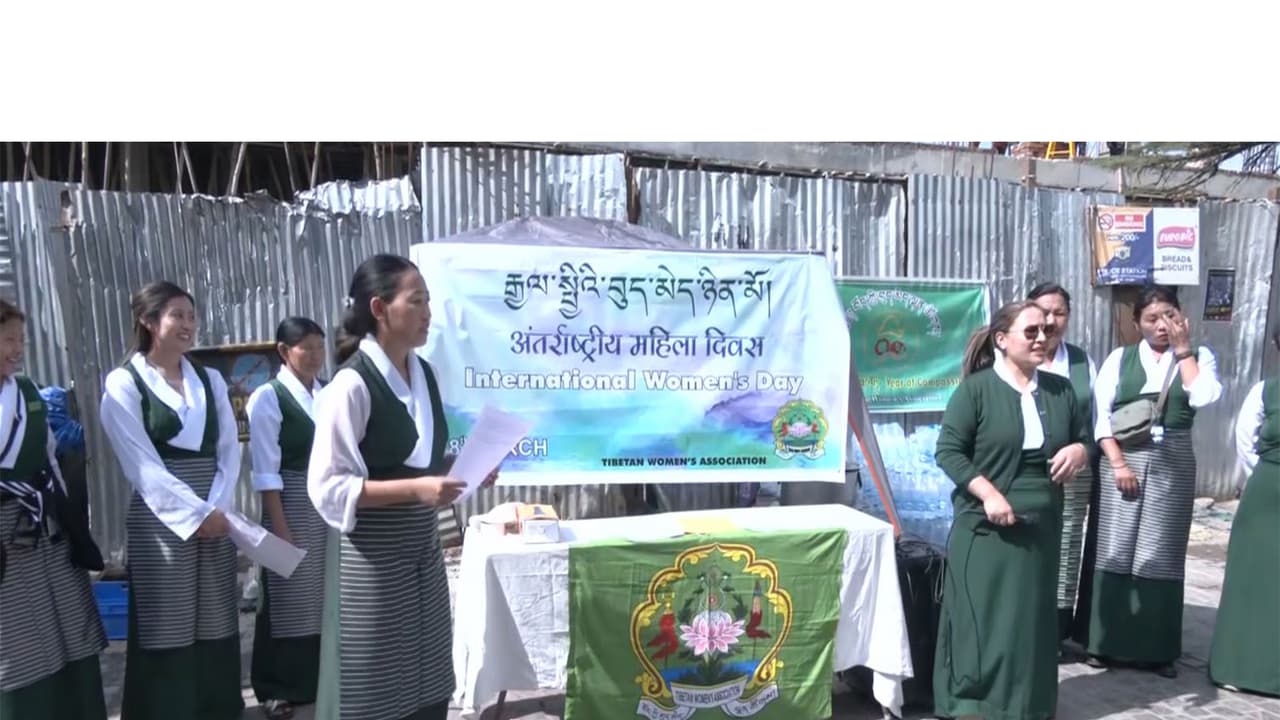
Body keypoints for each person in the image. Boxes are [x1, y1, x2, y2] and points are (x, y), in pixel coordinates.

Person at [308, 254, 497, 720]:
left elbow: (420, 464)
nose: (428, 312)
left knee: (429, 681)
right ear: (379, 308)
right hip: (371, 562)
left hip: (422, 554)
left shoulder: (425, 375)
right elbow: (329, 486)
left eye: (429, 301)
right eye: (416, 302)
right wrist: (416, 491)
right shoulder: (351, 386)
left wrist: (469, 467)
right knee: (374, 687)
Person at [933, 301, 1090, 720]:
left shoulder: (1060, 391)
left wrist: (1079, 450)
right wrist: (988, 494)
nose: (1042, 338)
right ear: (1002, 340)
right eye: (1032, 331)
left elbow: (1085, 438)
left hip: (1042, 527)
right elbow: (948, 451)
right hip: (985, 528)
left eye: (1047, 331)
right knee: (983, 617)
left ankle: (1027, 705)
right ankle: (971, 705)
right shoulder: (976, 390)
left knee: (1030, 621)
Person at [99, 282, 244, 719]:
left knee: (216, 615)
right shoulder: (124, 383)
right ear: (148, 321)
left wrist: (216, 510)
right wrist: (195, 515)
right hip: (162, 519)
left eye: (191, 316)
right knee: (168, 622)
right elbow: (142, 465)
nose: (187, 324)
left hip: (215, 513)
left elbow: (228, 451)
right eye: (176, 315)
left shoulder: (210, 379)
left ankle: (216, 709)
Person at [1086, 285, 1222, 678]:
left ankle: (1156, 650)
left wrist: (1184, 351)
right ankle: (1105, 644)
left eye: (1168, 316)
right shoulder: (1120, 359)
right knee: (1116, 546)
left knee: (1160, 553)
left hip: (1173, 463)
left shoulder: (1198, 358)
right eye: (1151, 318)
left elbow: (1204, 397)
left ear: (1181, 316)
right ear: (1136, 323)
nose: (1161, 325)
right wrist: (1117, 465)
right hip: (1123, 459)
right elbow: (1102, 416)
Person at [0, 299, 109, 720]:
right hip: (6, 539)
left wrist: (71, 524)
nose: (17, 349)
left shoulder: (25, 390)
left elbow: (47, 455)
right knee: (17, 640)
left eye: (20, 340)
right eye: (8, 339)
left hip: (45, 522)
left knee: (70, 626)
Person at [248, 317, 328, 720]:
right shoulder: (269, 397)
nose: (314, 355)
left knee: (322, 597)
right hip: (290, 500)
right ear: (284, 351)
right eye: (305, 347)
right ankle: (278, 687)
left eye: (319, 346)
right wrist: (279, 525)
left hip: (325, 504)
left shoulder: (327, 393)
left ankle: (319, 680)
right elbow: (265, 469)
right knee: (287, 597)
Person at [1208, 330, 1280, 696]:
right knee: (1252, 581)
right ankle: (1240, 666)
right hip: (1267, 496)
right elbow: (1244, 441)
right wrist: (1268, 473)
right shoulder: (1265, 391)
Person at [1026, 282, 1098, 650]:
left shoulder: (1083, 362)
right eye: (1044, 312)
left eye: (1059, 313)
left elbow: (1097, 419)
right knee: (1029, 541)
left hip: (1075, 468)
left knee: (1068, 542)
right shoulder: (1017, 355)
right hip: (1026, 469)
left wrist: (1083, 451)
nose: (1051, 321)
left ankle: (1056, 628)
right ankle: (1028, 623)